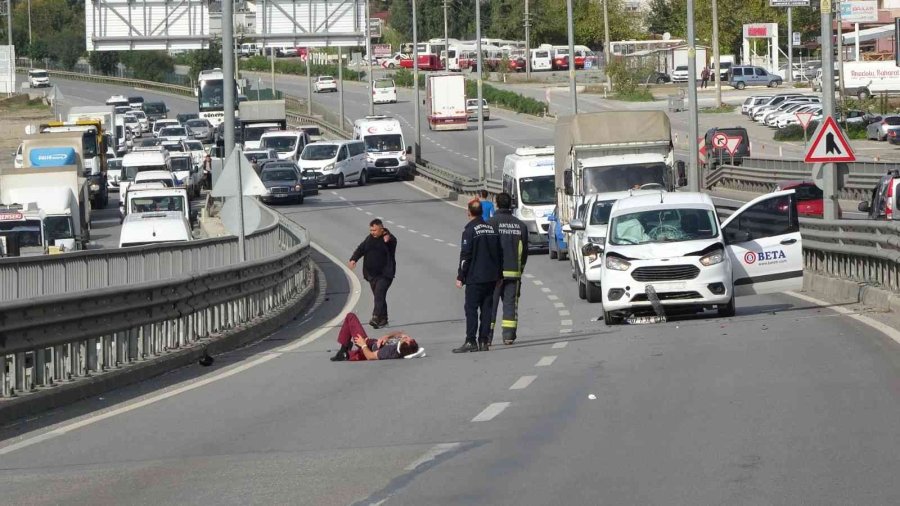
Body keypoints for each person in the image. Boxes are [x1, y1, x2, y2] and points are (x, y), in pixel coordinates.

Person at [454, 199, 503, 353]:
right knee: (487, 309)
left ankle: (470, 341)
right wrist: (499, 274)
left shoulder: (469, 231)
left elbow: (465, 256)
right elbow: (499, 253)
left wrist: (461, 276)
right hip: (491, 277)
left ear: (469, 212)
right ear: (482, 211)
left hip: (475, 277)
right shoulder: (492, 229)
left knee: (471, 309)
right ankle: (484, 341)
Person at [489, 192, 529, 345]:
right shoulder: (521, 226)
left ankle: (488, 337)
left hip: (494, 274)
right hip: (514, 272)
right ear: (511, 204)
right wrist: (521, 268)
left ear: (497, 204)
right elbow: (525, 251)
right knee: (510, 304)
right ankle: (509, 335)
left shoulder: (491, 224)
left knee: (490, 305)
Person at [349, 218, 398, 329]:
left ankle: (375, 317)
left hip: (385, 274)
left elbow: (391, 241)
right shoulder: (369, 239)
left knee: (379, 293)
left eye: (375, 230)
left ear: (381, 229)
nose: (372, 232)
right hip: (371, 275)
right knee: (378, 296)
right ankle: (384, 319)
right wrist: (353, 259)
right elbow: (360, 249)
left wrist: (387, 237)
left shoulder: (389, 239)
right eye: (371, 230)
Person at [330, 313, 421, 361]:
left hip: (368, 345)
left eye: (408, 339)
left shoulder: (389, 351)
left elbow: (370, 356)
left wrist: (363, 344)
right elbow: (401, 333)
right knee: (350, 320)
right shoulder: (401, 346)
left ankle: (343, 350)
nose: (407, 337)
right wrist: (386, 336)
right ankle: (344, 350)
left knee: (351, 317)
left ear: (406, 344)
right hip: (371, 343)